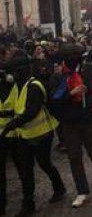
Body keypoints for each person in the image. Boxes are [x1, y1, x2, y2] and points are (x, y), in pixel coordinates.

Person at [1, 50, 66, 216]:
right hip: (23, 135)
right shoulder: (16, 86)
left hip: (42, 134)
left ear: (22, 70)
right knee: (26, 169)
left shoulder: (34, 86)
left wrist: (10, 126)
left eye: (14, 70)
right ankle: (28, 203)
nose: (11, 74)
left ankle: (59, 188)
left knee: (44, 163)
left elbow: (31, 111)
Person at [49, 43, 92, 208]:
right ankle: (82, 191)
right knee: (74, 157)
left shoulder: (90, 69)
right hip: (70, 123)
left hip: (90, 119)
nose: (72, 60)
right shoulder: (58, 76)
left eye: (75, 56)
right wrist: (70, 94)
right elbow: (53, 101)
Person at [0, 51, 22, 216]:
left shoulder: (18, 85)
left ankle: (28, 200)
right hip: (1, 134)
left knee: (23, 168)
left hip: (17, 132)